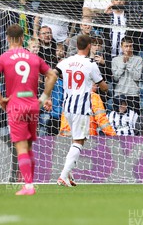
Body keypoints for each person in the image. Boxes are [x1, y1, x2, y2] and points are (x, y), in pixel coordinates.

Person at [0, 24, 58, 195]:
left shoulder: (4, 57)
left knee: (20, 147)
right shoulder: (33, 57)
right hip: (33, 105)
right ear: (22, 38)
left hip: (16, 105)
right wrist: (43, 97)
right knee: (28, 147)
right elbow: (53, 75)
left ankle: (28, 186)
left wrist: (0, 98)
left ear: (7, 38)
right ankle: (29, 183)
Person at [55, 35, 109, 187]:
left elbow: (52, 73)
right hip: (81, 107)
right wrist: (107, 86)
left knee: (75, 140)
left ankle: (68, 174)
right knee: (79, 141)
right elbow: (103, 87)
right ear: (89, 46)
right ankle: (63, 176)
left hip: (67, 108)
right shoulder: (90, 64)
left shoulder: (66, 61)